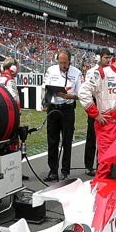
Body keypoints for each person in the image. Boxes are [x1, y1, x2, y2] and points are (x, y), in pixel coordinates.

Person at [78, 40, 116, 178]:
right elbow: (83, 93)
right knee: (105, 164)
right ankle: (98, 196)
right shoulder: (101, 73)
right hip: (107, 125)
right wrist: (95, 114)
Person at [43, 49, 82, 181]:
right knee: (52, 141)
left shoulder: (76, 73)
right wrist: (45, 102)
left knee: (67, 141)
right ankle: (53, 170)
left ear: (70, 61)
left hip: (67, 109)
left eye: (65, 63)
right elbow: (46, 88)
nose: (63, 65)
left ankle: (65, 171)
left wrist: (68, 96)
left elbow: (80, 94)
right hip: (53, 108)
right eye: (60, 62)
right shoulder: (51, 70)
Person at [80, 48, 111, 176]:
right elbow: (88, 91)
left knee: (104, 140)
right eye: (106, 57)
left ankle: (101, 164)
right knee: (91, 137)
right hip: (95, 105)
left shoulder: (110, 72)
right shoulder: (92, 72)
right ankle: (88, 166)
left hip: (106, 106)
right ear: (99, 58)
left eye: (109, 58)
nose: (108, 60)